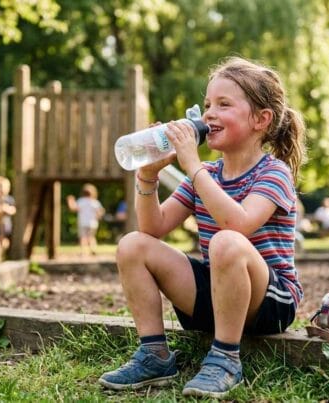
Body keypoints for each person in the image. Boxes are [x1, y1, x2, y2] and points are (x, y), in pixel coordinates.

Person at [98, 57, 306, 398]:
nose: (209, 114)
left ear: (261, 119)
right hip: (215, 296)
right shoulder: (206, 173)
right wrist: (148, 176)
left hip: (271, 302)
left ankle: (225, 359)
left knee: (226, 241)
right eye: (208, 104)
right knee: (132, 244)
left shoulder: (274, 173)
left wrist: (193, 166)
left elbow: (236, 223)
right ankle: (154, 355)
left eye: (224, 105)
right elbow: (153, 227)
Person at [66, 183, 105, 256]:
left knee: (83, 237)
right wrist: (98, 216)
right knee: (91, 237)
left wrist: (70, 200)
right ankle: (93, 249)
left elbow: (73, 208)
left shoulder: (81, 201)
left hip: (83, 223)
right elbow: (101, 211)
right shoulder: (94, 202)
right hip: (93, 223)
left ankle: (83, 251)